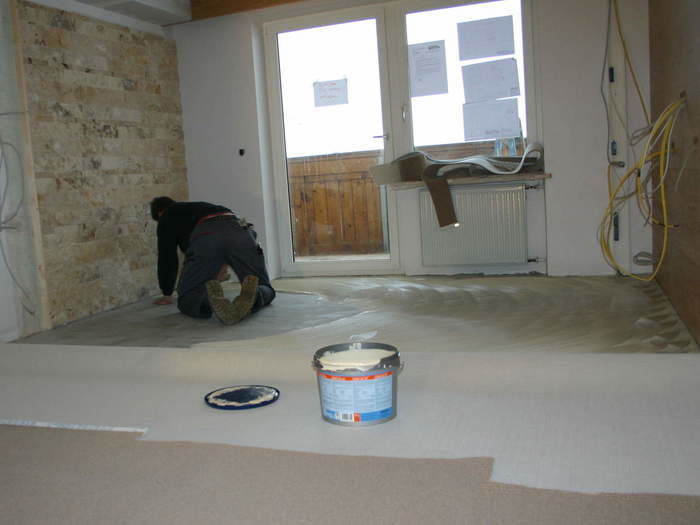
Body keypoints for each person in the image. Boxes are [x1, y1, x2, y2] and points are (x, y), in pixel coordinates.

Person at [149, 196, 275, 324]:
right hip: (241, 228)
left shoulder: (167, 214)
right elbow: (233, 232)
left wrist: (167, 292)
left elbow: (167, 256)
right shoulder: (205, 207)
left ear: (160, 213)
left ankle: (208, 302)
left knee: (187, 297)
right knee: (263, 285)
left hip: (207, 234)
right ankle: (256, 296)